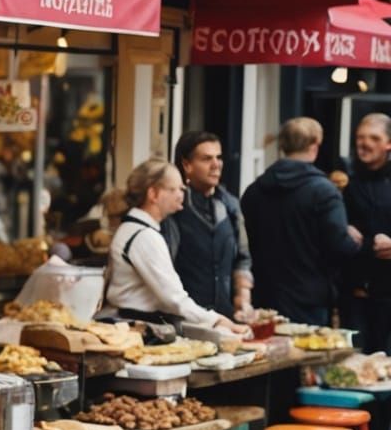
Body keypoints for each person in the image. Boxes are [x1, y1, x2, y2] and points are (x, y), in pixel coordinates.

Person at [239, 117, 362, 325]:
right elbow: (340, 246)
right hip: (310, 299)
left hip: (264, 297)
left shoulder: (254, 191)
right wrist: (354, 240)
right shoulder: (324, 192)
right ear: (315, 145)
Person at [103, 159, 248, 333]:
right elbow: (174, 299)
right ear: (154, 194)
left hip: (133, 327)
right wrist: (216, 320)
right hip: (136, 331)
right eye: (176, 189)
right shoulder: (145, 237)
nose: (182, 194)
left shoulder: (135, 229)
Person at [165, 129, 253, 320]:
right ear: (187, 164)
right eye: (206, 159)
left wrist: (242, 298)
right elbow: (166, 269)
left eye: (218, 158)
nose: (216, 165)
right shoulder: (174, 209)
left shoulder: (231, 205)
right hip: (184, 320)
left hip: (225, 317)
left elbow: (242, 258)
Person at [342, 112, 391, 353]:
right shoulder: (345, 183)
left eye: (373, 137)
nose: (365, 143)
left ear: (388, 143)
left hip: (388, 292)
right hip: (356, 292)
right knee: (355, 364)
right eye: (360, 137)